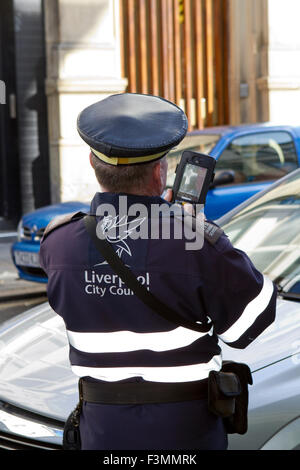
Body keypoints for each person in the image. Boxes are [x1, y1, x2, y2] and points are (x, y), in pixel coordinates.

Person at [39, 93, 277, 450]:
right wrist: (194, 232)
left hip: (101, 433)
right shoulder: (195, 241)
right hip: (185, 434)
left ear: (92, 161)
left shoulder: (57, 242)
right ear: (160, 170)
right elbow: (249, 325)